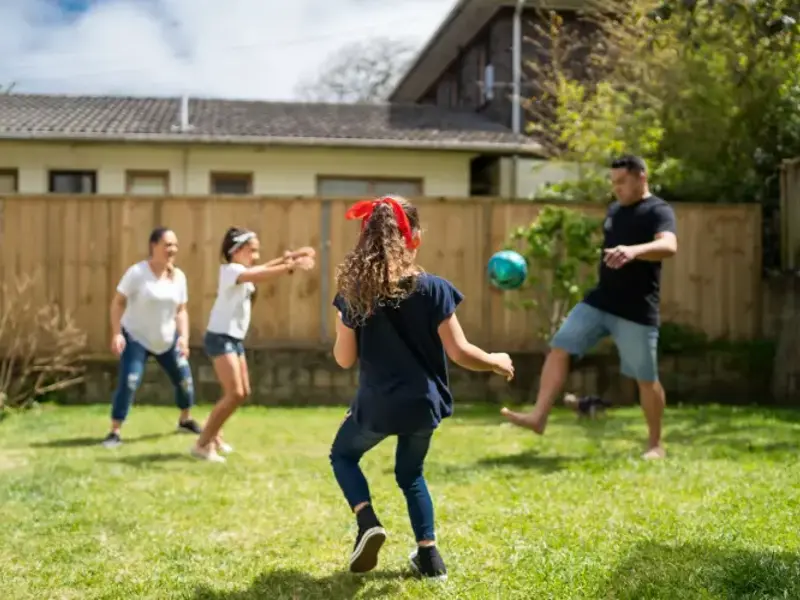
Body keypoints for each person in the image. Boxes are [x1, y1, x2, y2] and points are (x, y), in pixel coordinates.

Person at [329, 196, 515, 580]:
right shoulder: (434, 289)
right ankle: (429, 558)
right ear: (414, 236)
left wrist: (343, 319)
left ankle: (367, 522)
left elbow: (344, 359)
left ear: (366, 238)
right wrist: (495, 360)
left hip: (377, 405)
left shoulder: (354, 293)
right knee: (410, 473)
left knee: (343, 455)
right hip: (422, 404)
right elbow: (460, 352)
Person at [501, 155, 678, 460]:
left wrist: (633, 251)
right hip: (600, 300)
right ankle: (539, 417)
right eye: (613, 182)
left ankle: (654, 444)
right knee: (560, 347)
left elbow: (669, 246)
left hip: (636, 309)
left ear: (641, 177)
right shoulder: (614, 210)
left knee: (646, 379)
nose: (616, 188)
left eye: (622, 181)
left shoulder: (657, 210)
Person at [191, 228, 316, 462]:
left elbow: (262, 268)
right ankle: (202, 444)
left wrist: (291, 257)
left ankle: (213, 434)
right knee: (235, 393)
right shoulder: (230, 270)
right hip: (220, 337)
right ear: (236, 251)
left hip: (233, 338)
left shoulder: (242, 271)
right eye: (252, 250)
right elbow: (259, 274)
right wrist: (291, 265)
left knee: (241, 393)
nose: (256, 256)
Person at [102, 227, 200, 448]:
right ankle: (114, 432)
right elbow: (118, 303)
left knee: (184, 380)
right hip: (136, 337)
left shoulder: (178, 277)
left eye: (175, 245)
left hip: (167, 339)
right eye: (168, 245)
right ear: (153, 246)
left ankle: (185, 420)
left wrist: (184, 337)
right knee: (130, 381)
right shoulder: (137, 273)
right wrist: (117, 333)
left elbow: (181, 310)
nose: (173, 249)